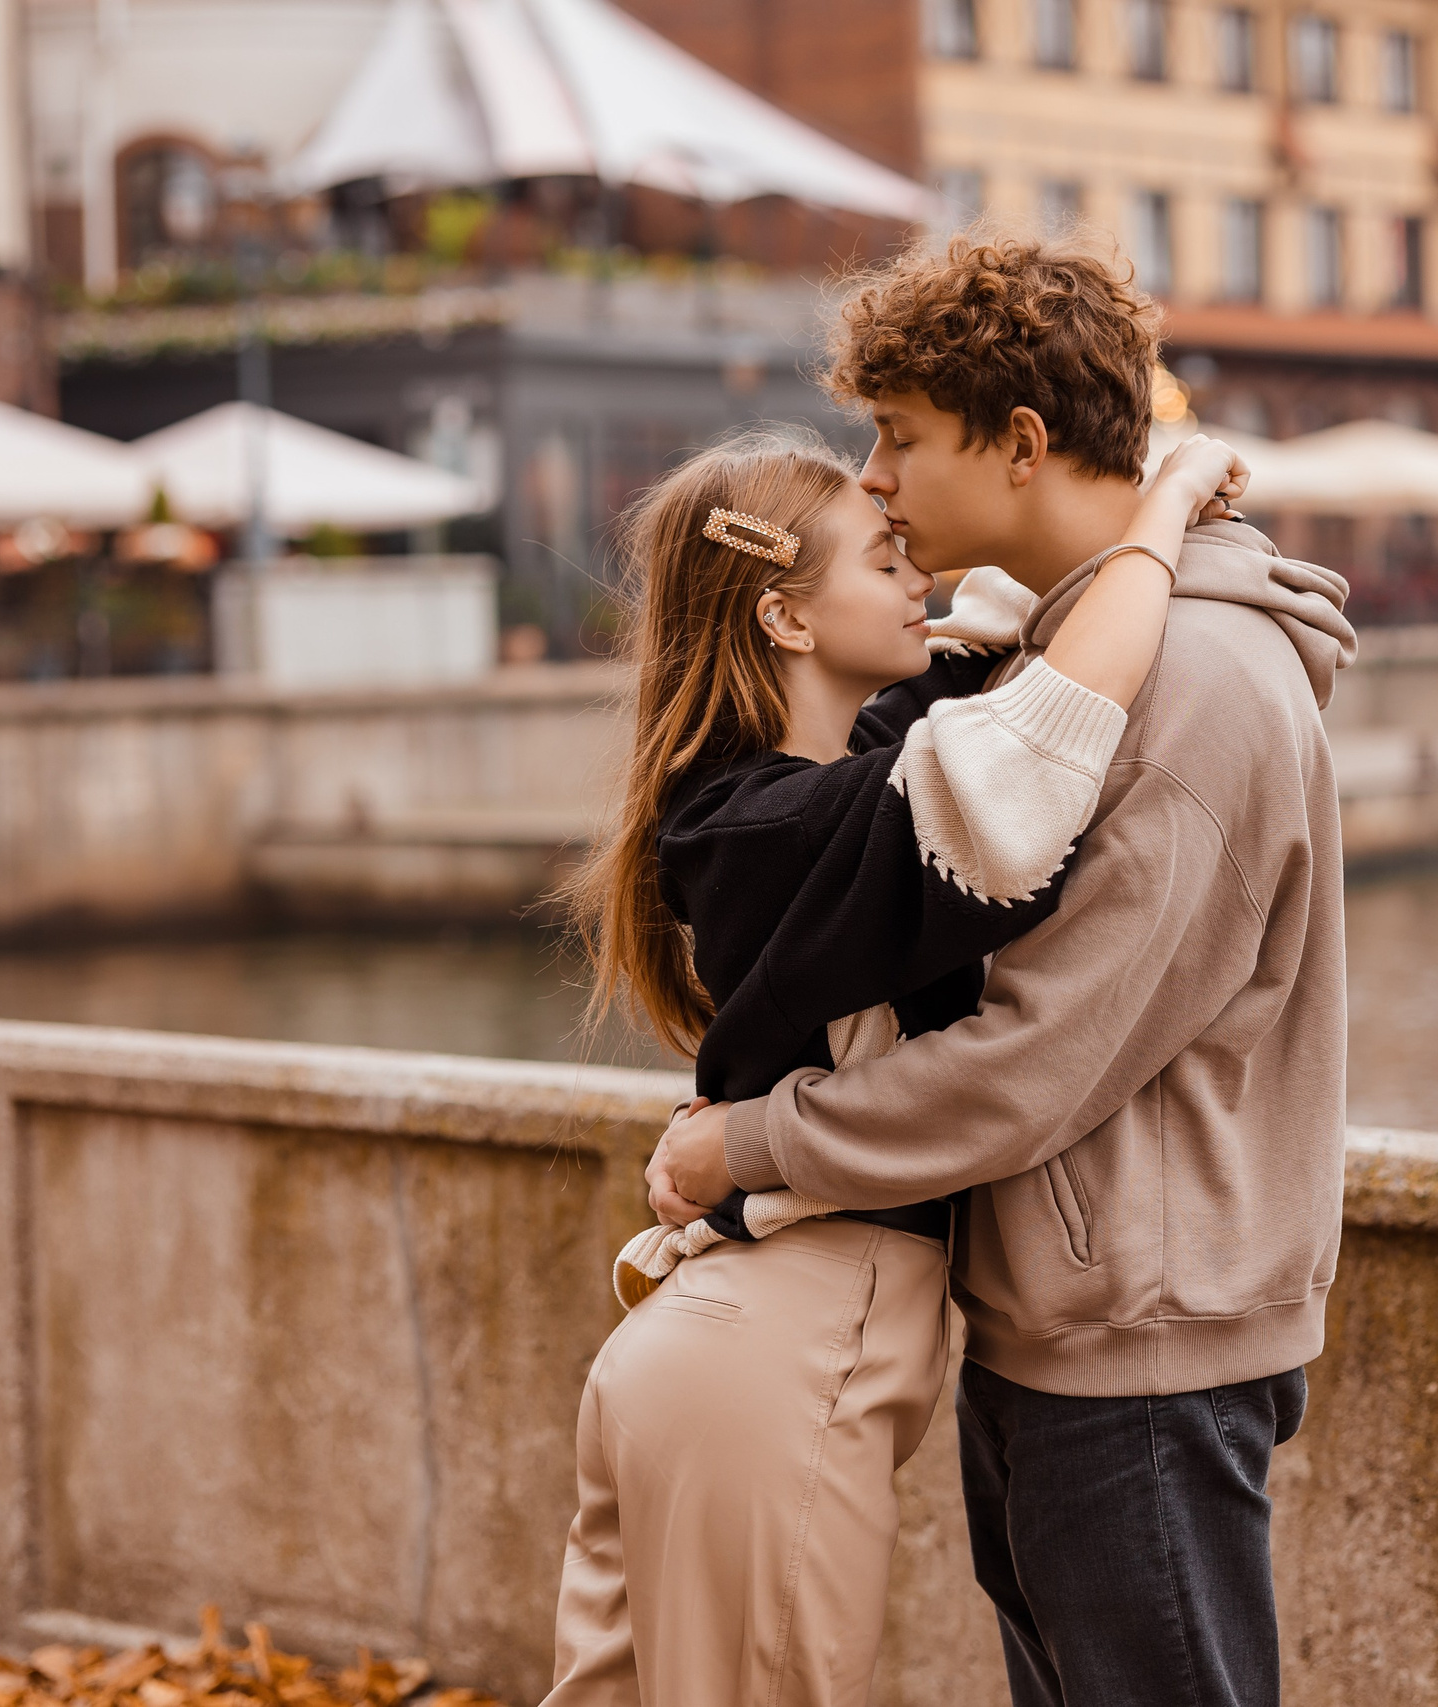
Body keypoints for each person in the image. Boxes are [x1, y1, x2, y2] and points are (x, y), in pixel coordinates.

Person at [652, 235, 1356, 1707]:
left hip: (1140, 1353)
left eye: (902, 438)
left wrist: (754, 1143)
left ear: (1020, 444)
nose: (882, 479)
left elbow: (1038, 1058)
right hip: (1077, 1321)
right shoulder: (1077, 659)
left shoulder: (1200, 688)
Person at [545, 416, 1249, 1707]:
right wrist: (1168, 502)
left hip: (717, 1355)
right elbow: (1044, 730)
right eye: (881, 563)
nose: (911, 575)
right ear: (787, 621)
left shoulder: (803, 790)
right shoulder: (779, 824)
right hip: (777, 1364)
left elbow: (988, 653)